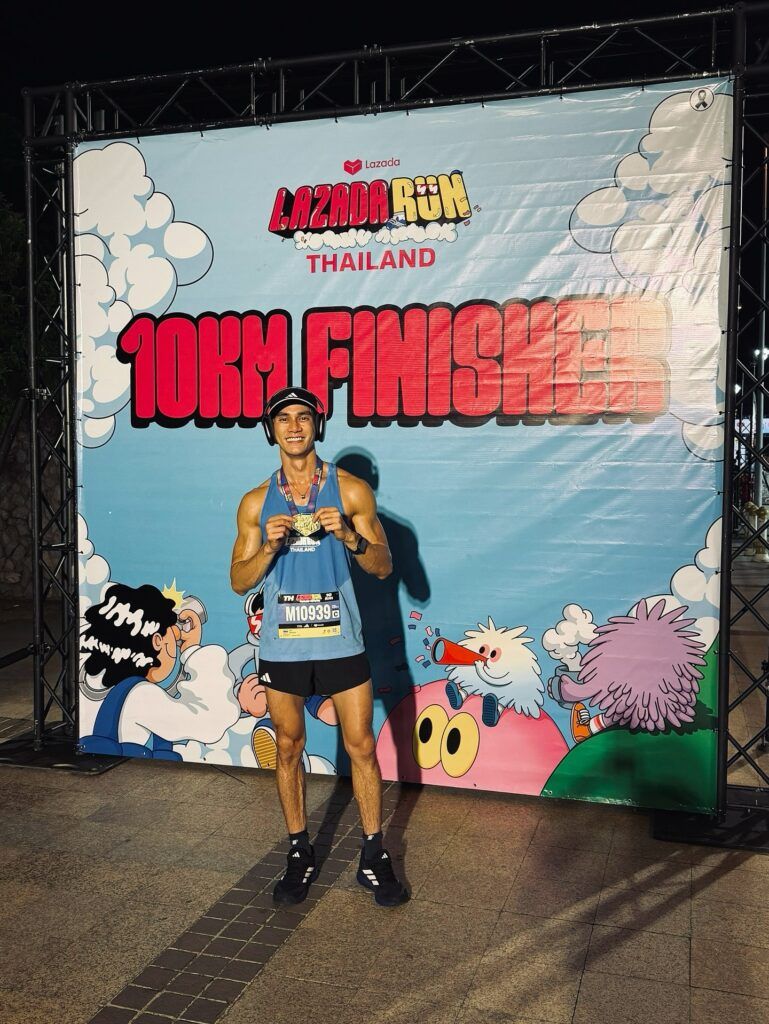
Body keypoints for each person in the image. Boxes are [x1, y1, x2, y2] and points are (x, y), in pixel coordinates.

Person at [230, 387, 409, 908]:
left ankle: (374, 855)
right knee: (288, 746)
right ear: (271, 430)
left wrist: (351, 538)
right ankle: (298, 851)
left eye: (303, 418)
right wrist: (268, 547)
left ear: (317, 426)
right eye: (283, 418)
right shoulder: (255, 502)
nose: (293, 426)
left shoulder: (350, 490)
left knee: (361, 746)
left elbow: (384, 566)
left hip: (340, 640)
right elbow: (239, 580)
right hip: (283, 647)